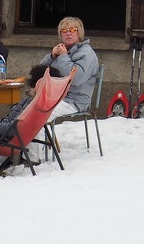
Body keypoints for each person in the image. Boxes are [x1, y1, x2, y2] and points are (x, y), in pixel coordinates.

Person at [32, 16, 100, 163]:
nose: (68, 33)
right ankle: (8, 153)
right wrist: (52, 56)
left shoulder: (87, 53)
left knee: (39, 112)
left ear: (79, 33)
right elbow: (39, 74)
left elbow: (76, 79)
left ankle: (31, 157)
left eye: (72, 30)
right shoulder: (63, 51)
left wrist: (62, 57)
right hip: (56, 97)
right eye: (64, 30)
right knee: (23, 109)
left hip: (74, 101)